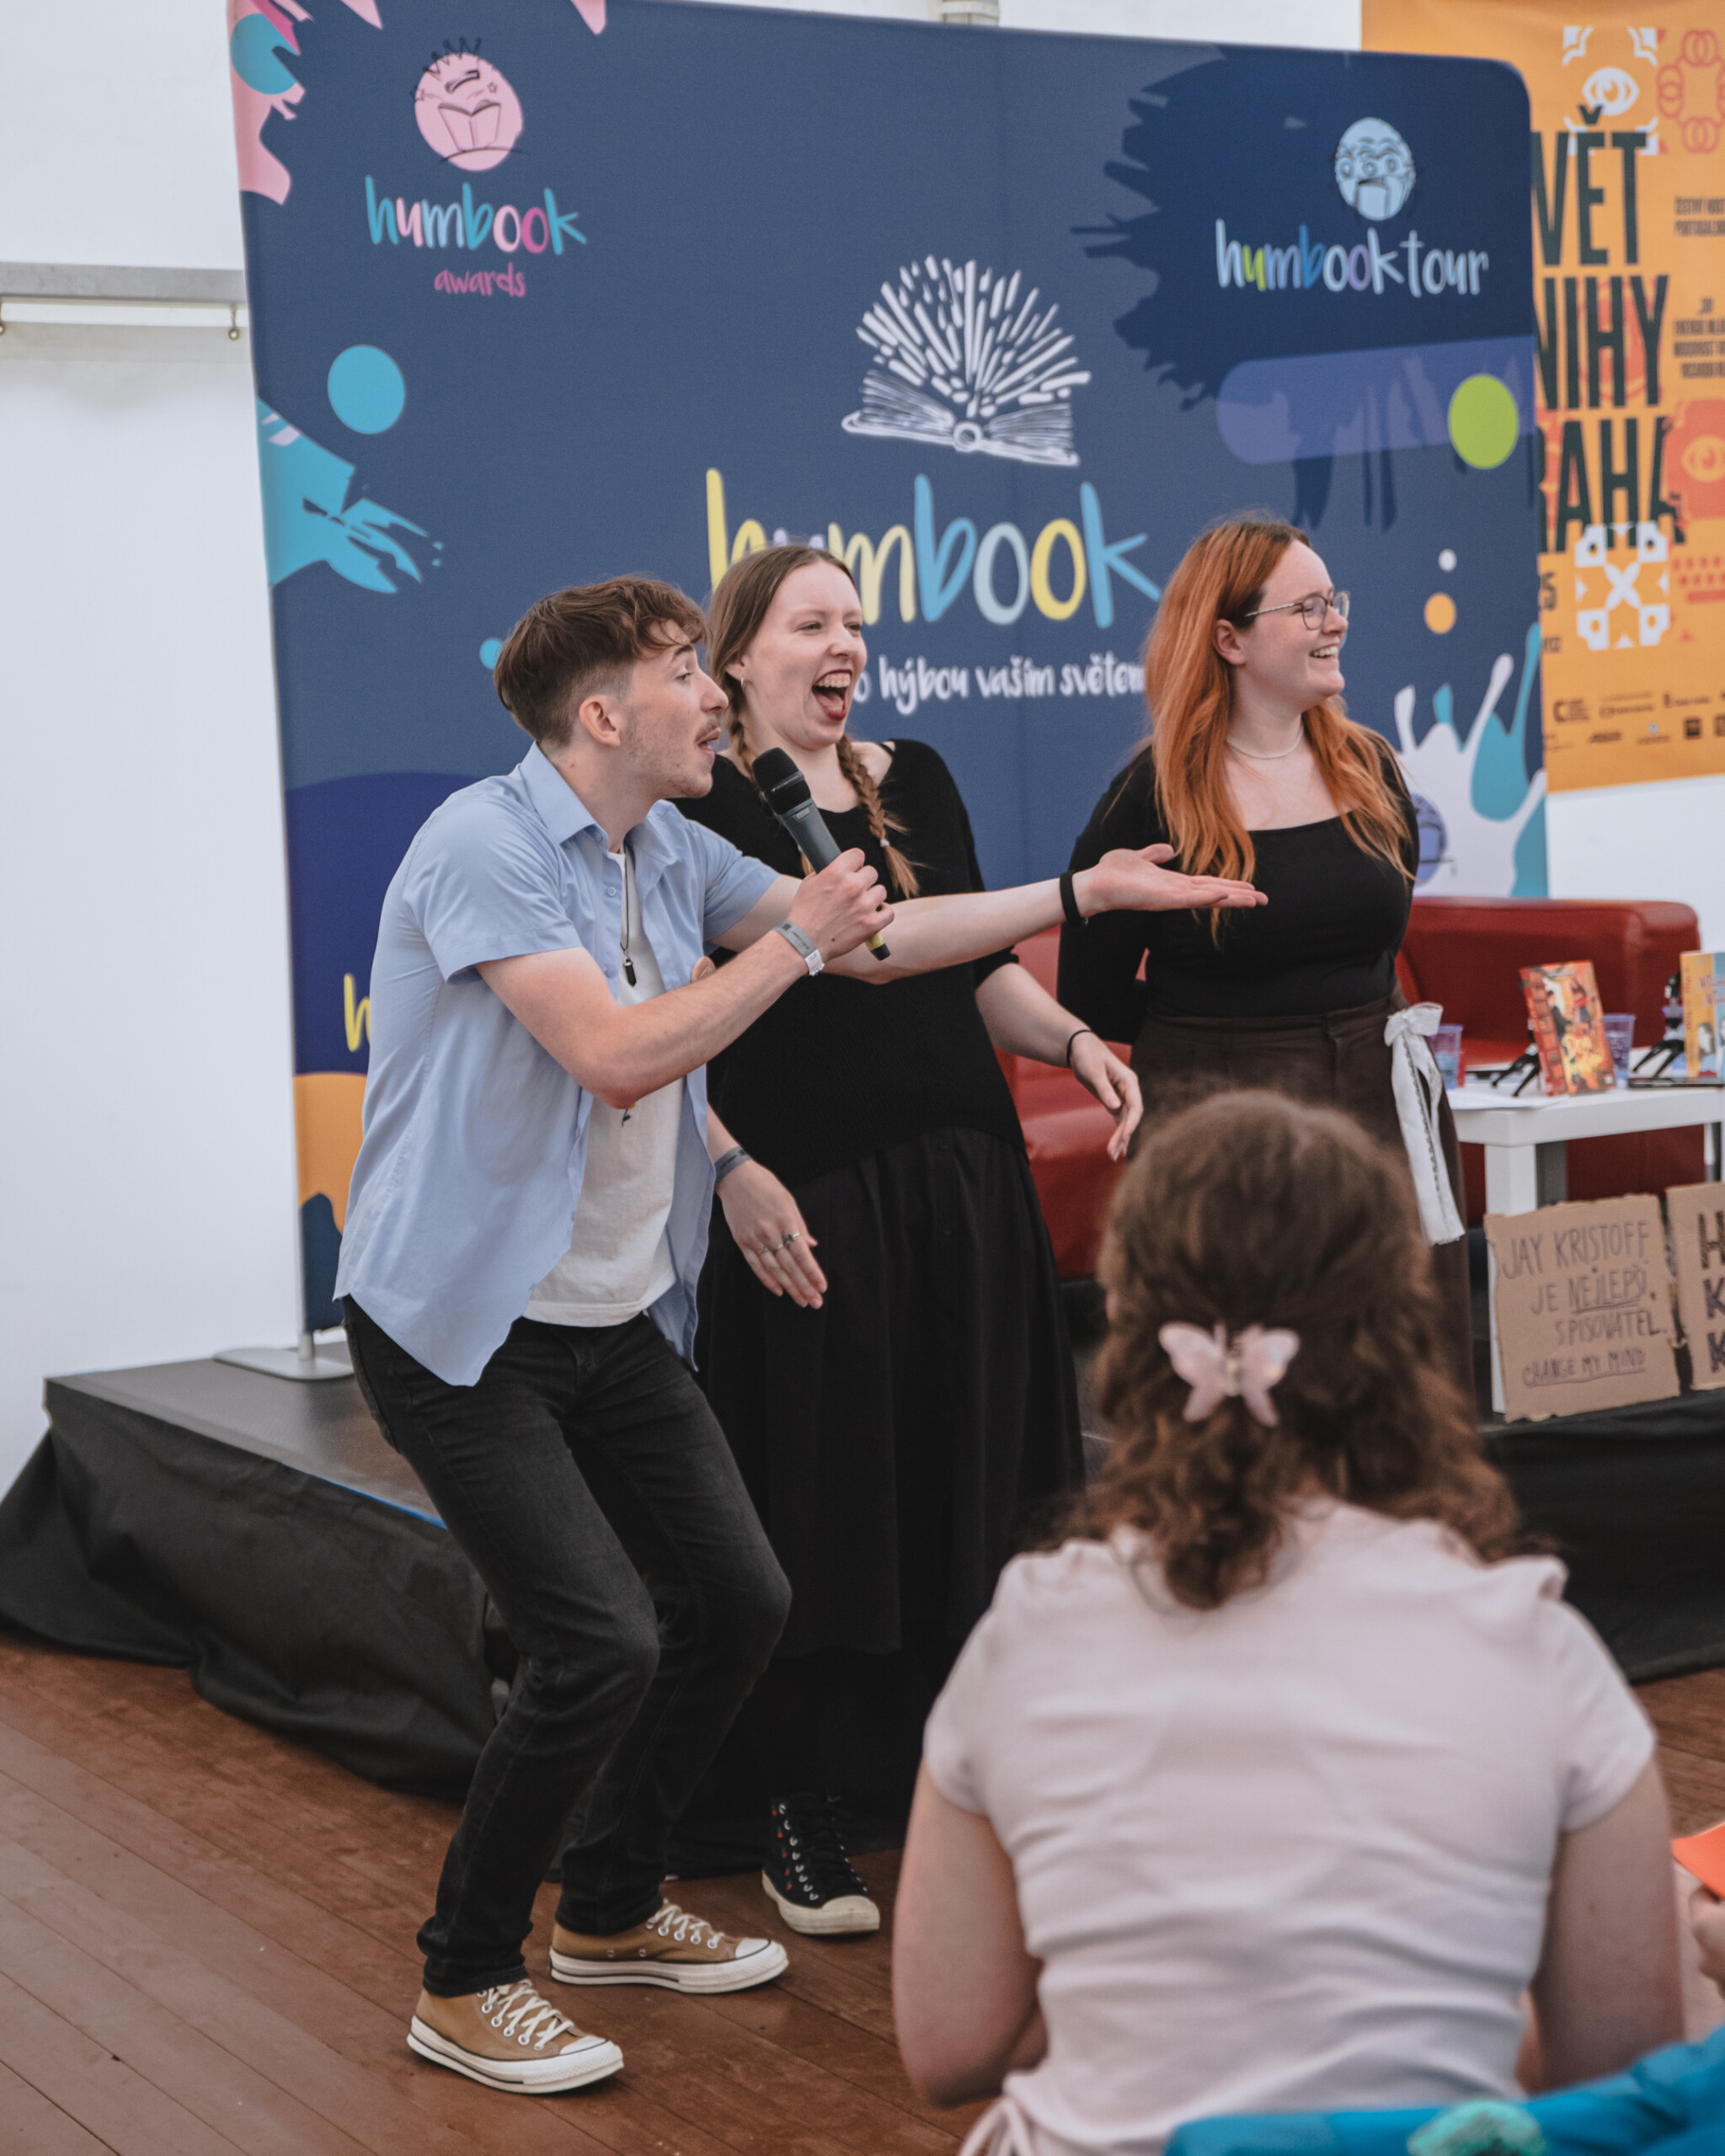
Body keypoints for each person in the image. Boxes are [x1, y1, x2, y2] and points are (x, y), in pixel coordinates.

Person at [337, 573, 1254, 2097]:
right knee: (598, 1640)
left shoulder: (666, 846)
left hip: (612, 1311)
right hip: (464, 1323)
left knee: (740, 1597)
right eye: (684, 670)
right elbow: (615, 1055)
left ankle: (611, 1907)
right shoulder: (481, 845)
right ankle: (467, 1972)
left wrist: (1079, 895)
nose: (712, 695)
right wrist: (797, 943)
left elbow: (887, 948)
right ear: (601, 713)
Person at [893, 1091, 1684, 2153]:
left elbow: (948, 2045)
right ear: (1398, 1337)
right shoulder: (1539, 1653)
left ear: (1127, 1325)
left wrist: (1154, 1985)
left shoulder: (1028, 1635)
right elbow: (1614, 2077)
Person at [677, 543, 1266, 1937]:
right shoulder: (703, 806)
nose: (844, 645)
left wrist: (1070, 1042)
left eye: (855, 622)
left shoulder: (918, 776)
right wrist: (726, 1169)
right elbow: (672, 1015)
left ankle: (988, 1780)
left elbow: (971, 961)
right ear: (739, 656)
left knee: (976, 1486)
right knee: (820, 1495)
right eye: (811, 624)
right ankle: (799, 1804)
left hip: (963, 1183)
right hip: (814, 1201)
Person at [1056, 513, 1474, 1393]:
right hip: (1227, 1128)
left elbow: (1376, 946)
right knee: (1257, 1394)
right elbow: (1088, 992)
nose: (1336, 621)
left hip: (1381, 1099)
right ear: (1229, 640)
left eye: (1335, 600)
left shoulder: (1370, 767)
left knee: (1393, 1379)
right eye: (1308, 606)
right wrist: (1210, 1043)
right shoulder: (1154, 794)